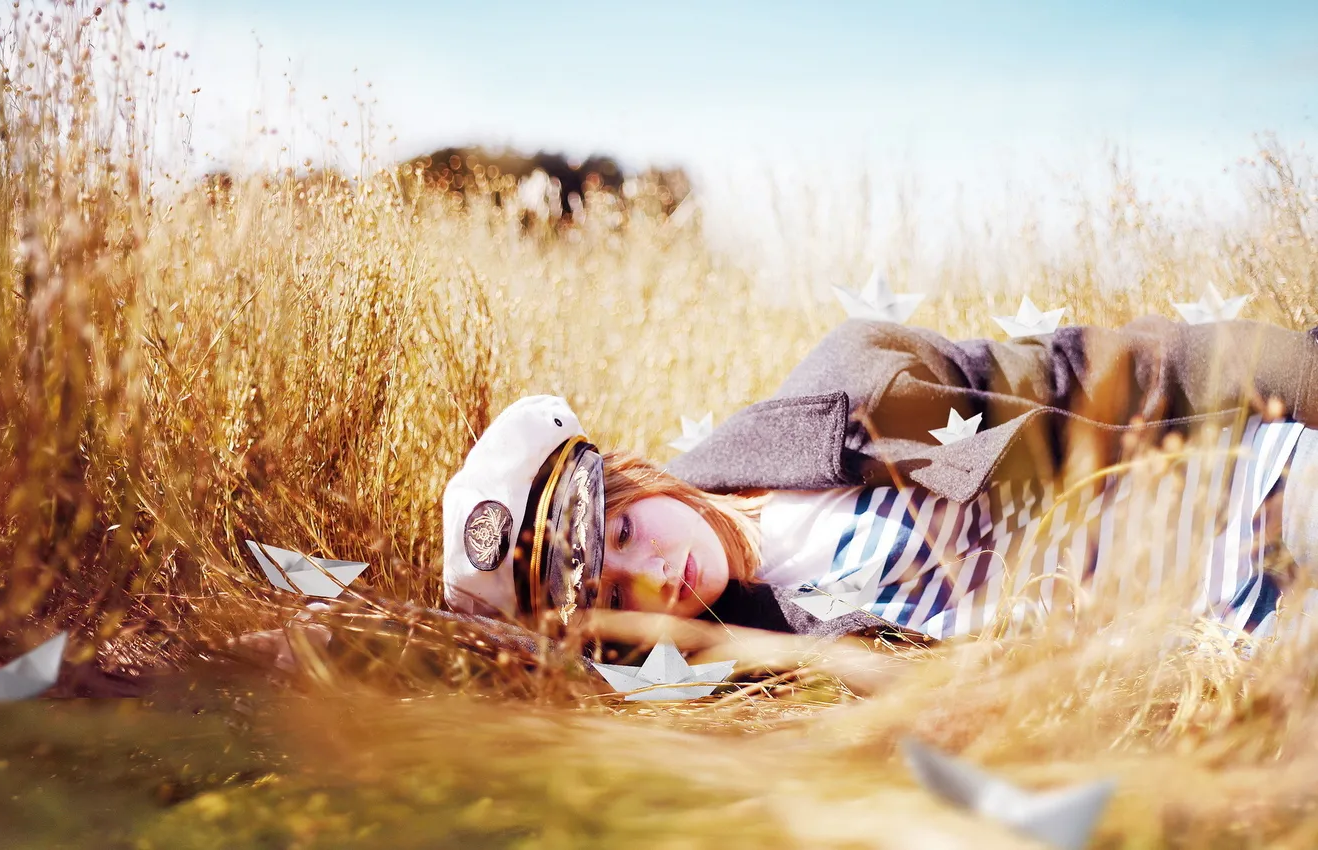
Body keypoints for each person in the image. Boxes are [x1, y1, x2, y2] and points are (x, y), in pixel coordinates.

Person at [442, 315, 1318, 647]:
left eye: (625, 534)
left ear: (638, 480)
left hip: (1248, 497)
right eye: (608, 594)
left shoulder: (849, 388)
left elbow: (1077, 378)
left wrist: (1298, 373)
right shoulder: (748, 660)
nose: (647, 579)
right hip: (1235, 646)